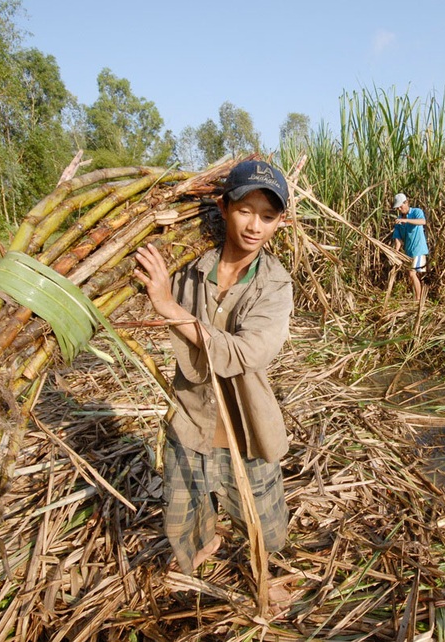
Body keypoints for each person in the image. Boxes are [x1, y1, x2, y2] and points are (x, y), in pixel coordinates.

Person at [133, 159, 292, 578]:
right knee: (185, 513)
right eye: (245, 211)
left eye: (268, 216)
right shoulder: (189, 266)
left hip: (246, 428)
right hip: (191, 420)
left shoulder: (274, 284)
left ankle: (264, 576)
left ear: (279, 222)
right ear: (223, 208)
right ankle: (201, 550)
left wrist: (169, 307)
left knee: (263, 525)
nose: (255, 226)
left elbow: (244, 354)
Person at [390, 193, 429, 301]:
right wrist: (395, 253)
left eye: (400, 206)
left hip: (418, 249)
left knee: (412, 274)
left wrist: (406, 220)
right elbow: (397, 238)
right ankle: (417, 298)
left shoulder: (416, 212)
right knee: (412, 275)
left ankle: (418, 300)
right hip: (408, 251)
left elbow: (422, 221)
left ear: (406, 203)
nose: (399, 208)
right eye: (397, 207)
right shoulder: (399, 220)